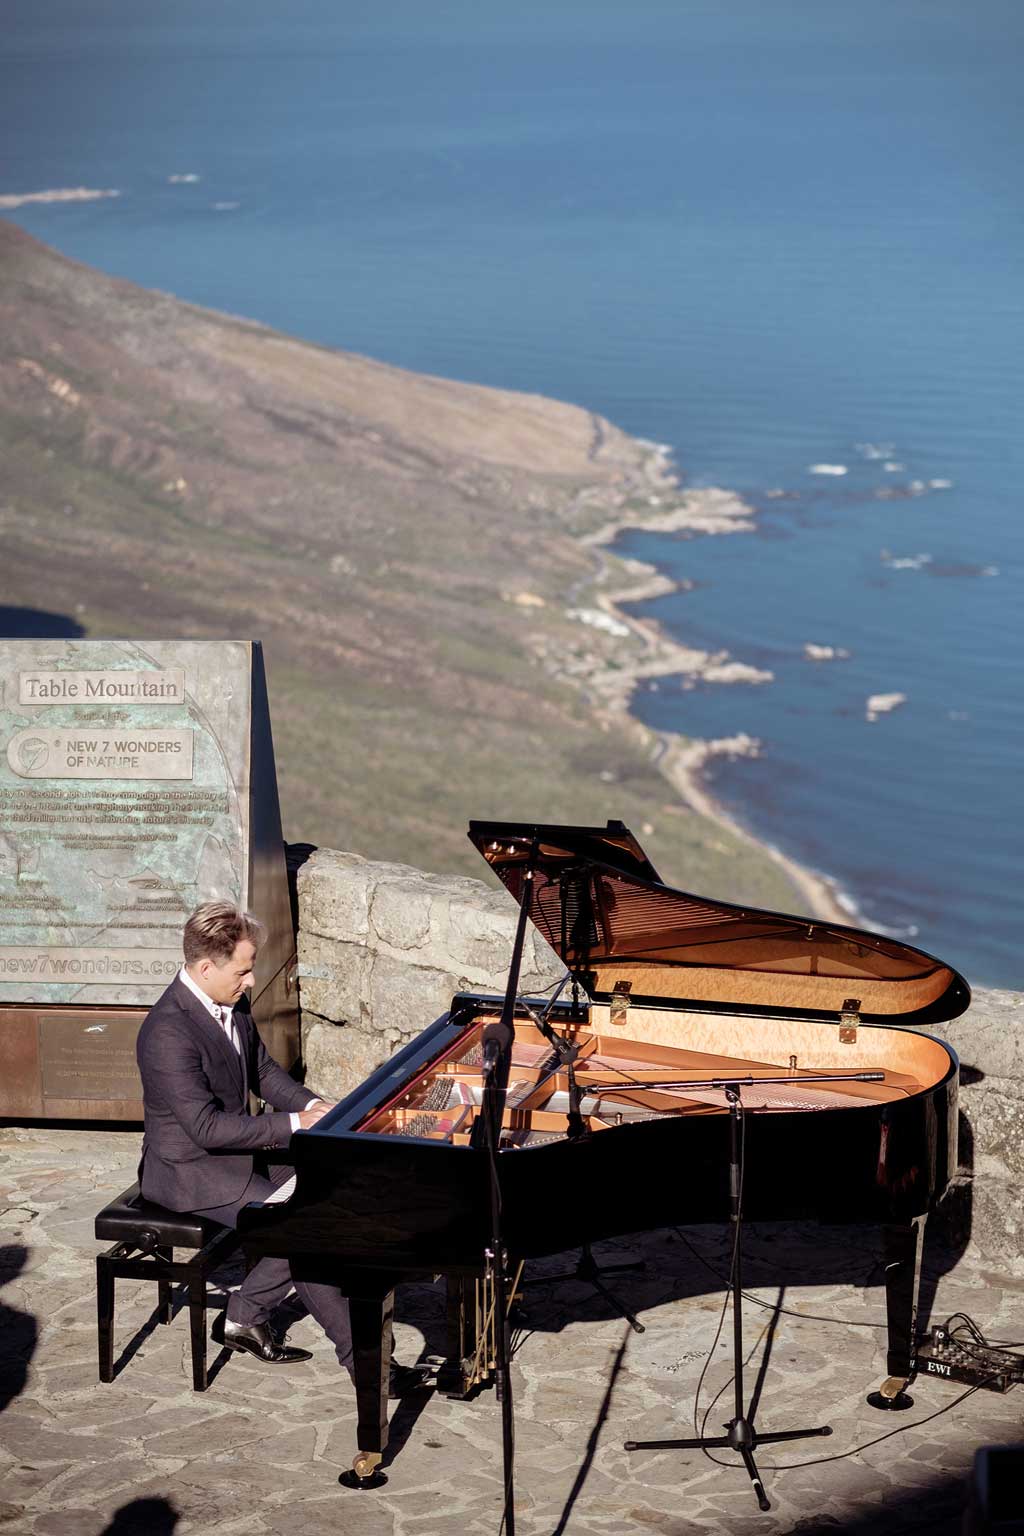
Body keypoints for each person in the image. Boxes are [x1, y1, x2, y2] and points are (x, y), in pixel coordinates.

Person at [136, 900, 425, 1393]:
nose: (251, 981)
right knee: (304, 1229)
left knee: (331, 1194)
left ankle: (243, 1316)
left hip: (237, 1155)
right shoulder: (167, 1032)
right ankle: (368, 1367)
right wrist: (294, 1124)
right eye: (244, 971)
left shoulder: (229, 1000)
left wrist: (319, 1107)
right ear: (207, 967)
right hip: (191, 1172)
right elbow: (205, 1128)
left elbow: (263, 1072)